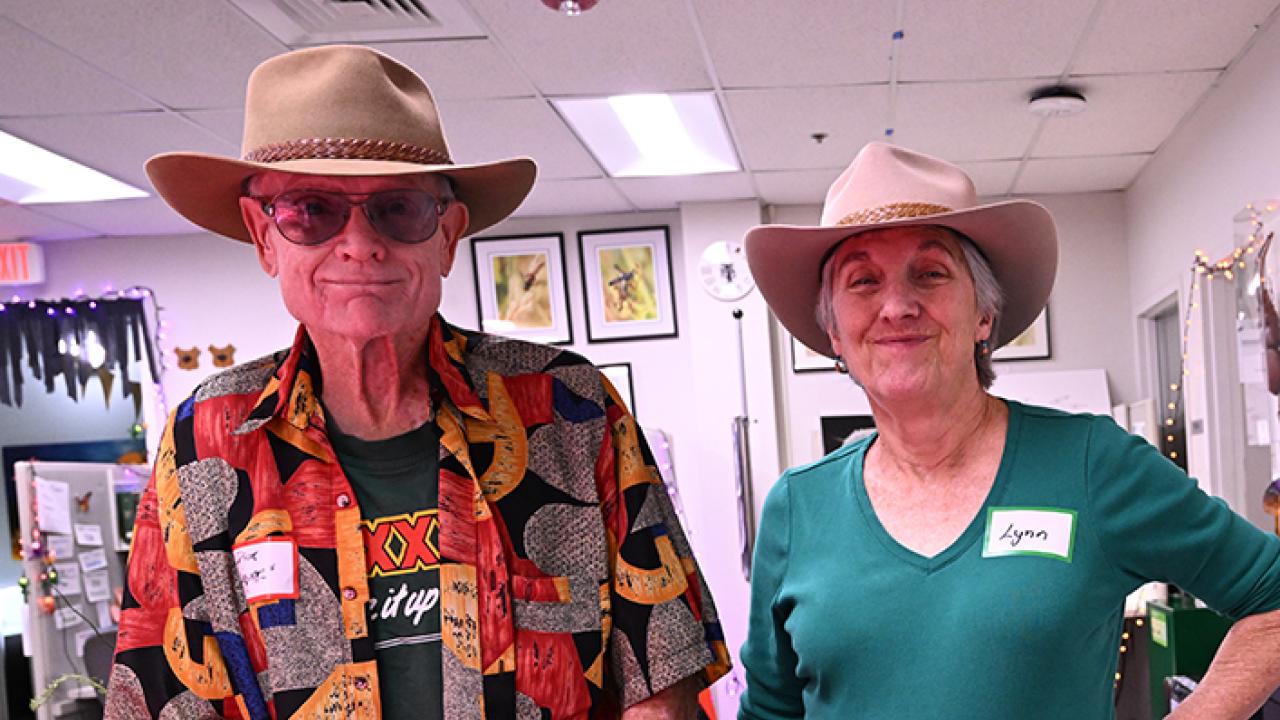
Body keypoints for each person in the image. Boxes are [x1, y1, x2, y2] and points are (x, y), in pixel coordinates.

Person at [103, 45, 729, 720]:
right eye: (311, 211)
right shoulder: (206, 441)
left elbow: (661, 689)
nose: (359, 244)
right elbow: (165, 694)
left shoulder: (568, 410)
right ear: (264, 235)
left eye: (397, 210)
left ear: (448, 235)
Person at [738, 142, 1280, 719]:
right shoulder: (798, 507)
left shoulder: (1092, 464)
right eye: (863, 282)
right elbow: (772, 711)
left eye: (930, 273)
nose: (897, 305)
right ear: (835, 335)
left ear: (983, 315)